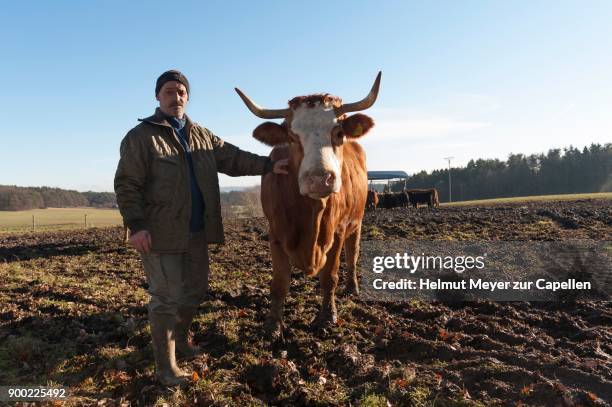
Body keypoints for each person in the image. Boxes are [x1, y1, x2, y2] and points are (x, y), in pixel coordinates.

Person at [114, 70, 288, 386]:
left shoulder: (202, 136)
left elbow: (234, 159)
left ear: (188, 97)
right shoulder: (140, 137)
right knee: (166, 297)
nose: (175, 96)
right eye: (168, 91)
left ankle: (179, 341)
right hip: (158, 233)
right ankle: (166, 368)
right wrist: (136, 226)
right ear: (157, 97)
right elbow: (127, 184)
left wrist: (268, 165)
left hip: (196, 232)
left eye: (181, 91)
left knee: (194, 290)